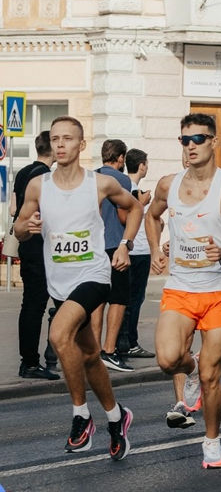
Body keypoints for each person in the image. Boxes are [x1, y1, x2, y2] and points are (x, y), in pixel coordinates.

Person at [13, 115, 141, 460]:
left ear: (81, 145)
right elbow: (20, 230)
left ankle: (81, 416)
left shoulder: (98, 184)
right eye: (55, 139)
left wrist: (126, 244)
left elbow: (135, 206)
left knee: (57, 336)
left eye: (68, 139)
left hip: (94, 274)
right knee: (88, 356)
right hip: (60, 281)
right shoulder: (38, 186)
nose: (60, 144)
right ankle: (117, 418)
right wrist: (29, 226)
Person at [147, 113, 221, 468]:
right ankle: (190, 367)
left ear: (213, 142)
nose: (191, 146)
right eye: (185, 140)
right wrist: (156, 249)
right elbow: (152, 216)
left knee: (214, 375)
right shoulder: (168, 184)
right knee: (167, 359)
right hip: (180, 286)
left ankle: (212, 441)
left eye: (198, 139)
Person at [13, 130, 59, 380]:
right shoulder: (46, 177)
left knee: (31, 304)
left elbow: (13, 208)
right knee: (35, 305)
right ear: (52, 149)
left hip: (27, 245)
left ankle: (30, 360)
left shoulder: (23, 172)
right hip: (40, 247)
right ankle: (30, 362)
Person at [95, 139, 134, 373]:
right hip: (115, 246)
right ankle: (109, 351)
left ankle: (93, 351)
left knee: (97, 300)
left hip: (95, 246)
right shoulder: (122, 179)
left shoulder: (92, 176)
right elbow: (123, 216)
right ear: (120, 158)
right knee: (118, 299)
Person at [118, 148, 155, 360]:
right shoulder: (131, 189)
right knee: (134, 299)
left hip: (134, 249)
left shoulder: (128, 187)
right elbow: (128, 215)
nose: (147, 167)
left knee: (129, 298)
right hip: (137, 250)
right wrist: (142, 204)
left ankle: (125, 340)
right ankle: (129, 342)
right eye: (146, 163)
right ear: (141, 165)